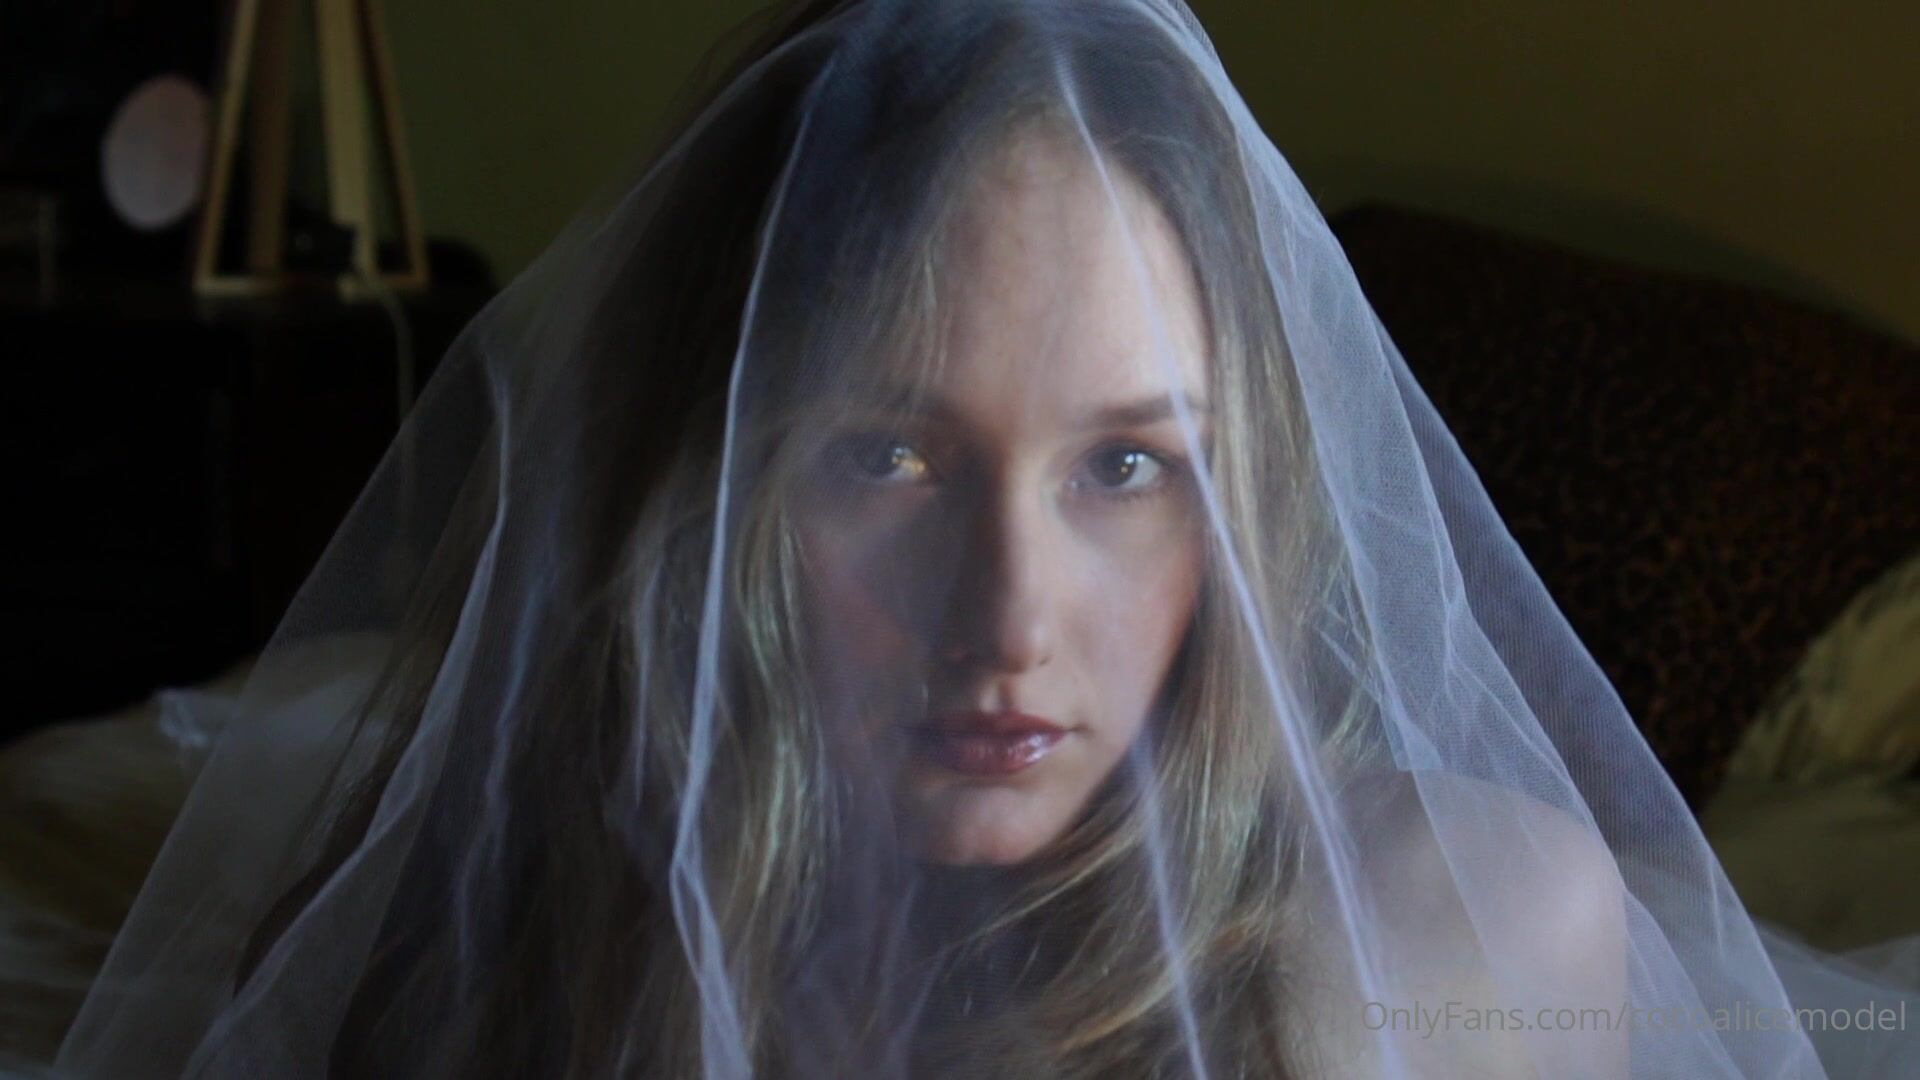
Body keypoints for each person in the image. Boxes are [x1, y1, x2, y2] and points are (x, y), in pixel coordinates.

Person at [49, 0, 1918, 1076]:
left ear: (1251, 495)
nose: (1011, 617)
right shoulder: (520, 903)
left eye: (1128, 469)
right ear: (714, 480)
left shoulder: (1446, 927)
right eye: (889, 458)